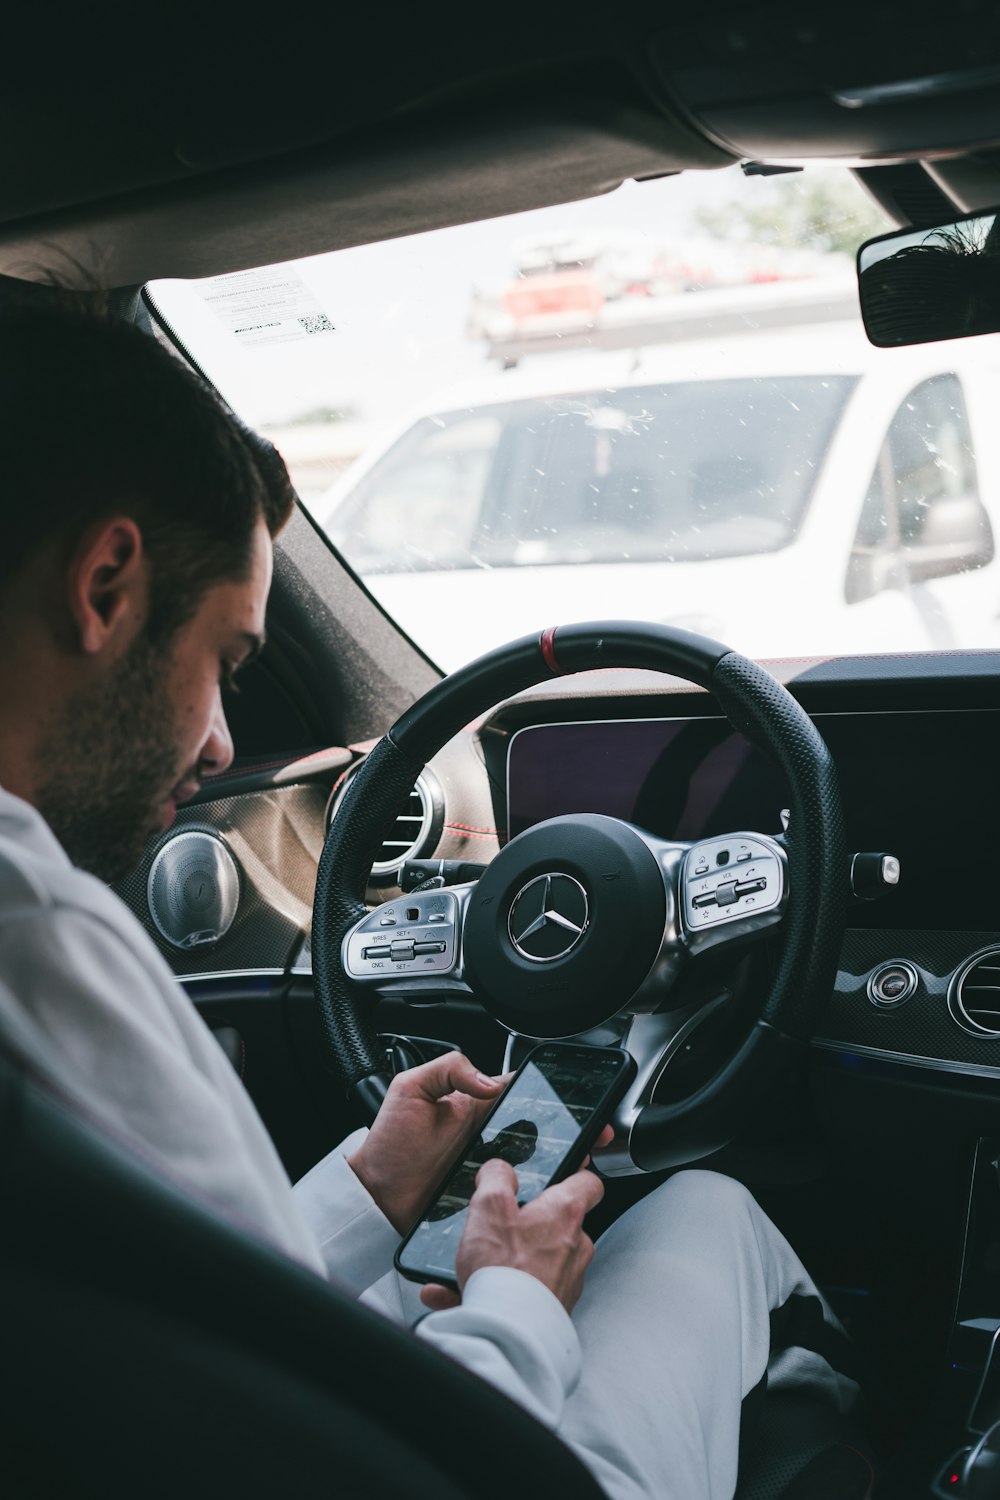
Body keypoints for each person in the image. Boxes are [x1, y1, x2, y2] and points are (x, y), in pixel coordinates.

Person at [0, 305, 859, 1500]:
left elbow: (181, 1313)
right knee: (709, 1209)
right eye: (228, 663)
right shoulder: (35, 941)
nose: (220, 743)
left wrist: (367, 1190)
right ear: (105, 586)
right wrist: (514, 1305)